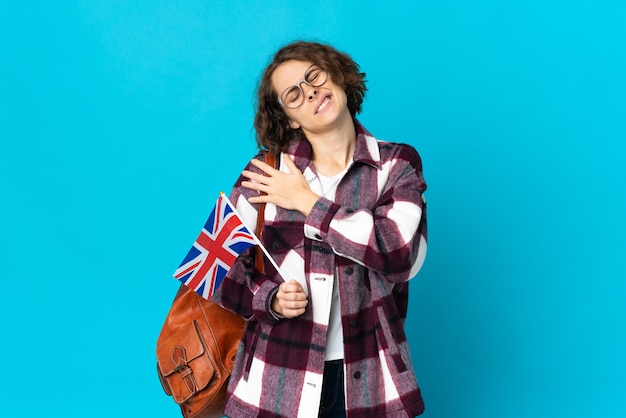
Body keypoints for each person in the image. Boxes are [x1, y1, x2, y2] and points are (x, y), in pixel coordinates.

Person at [212, 40, 428, 418]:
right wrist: (269, 299)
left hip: (372, 379)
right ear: (290, 118)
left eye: (314, 76)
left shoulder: (396, 165)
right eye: (293, 94)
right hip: (276, 380)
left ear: (339, 78)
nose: (310, 91)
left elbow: (398, 255)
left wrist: (307, 202)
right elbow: (213, 269)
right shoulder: (264, 175)